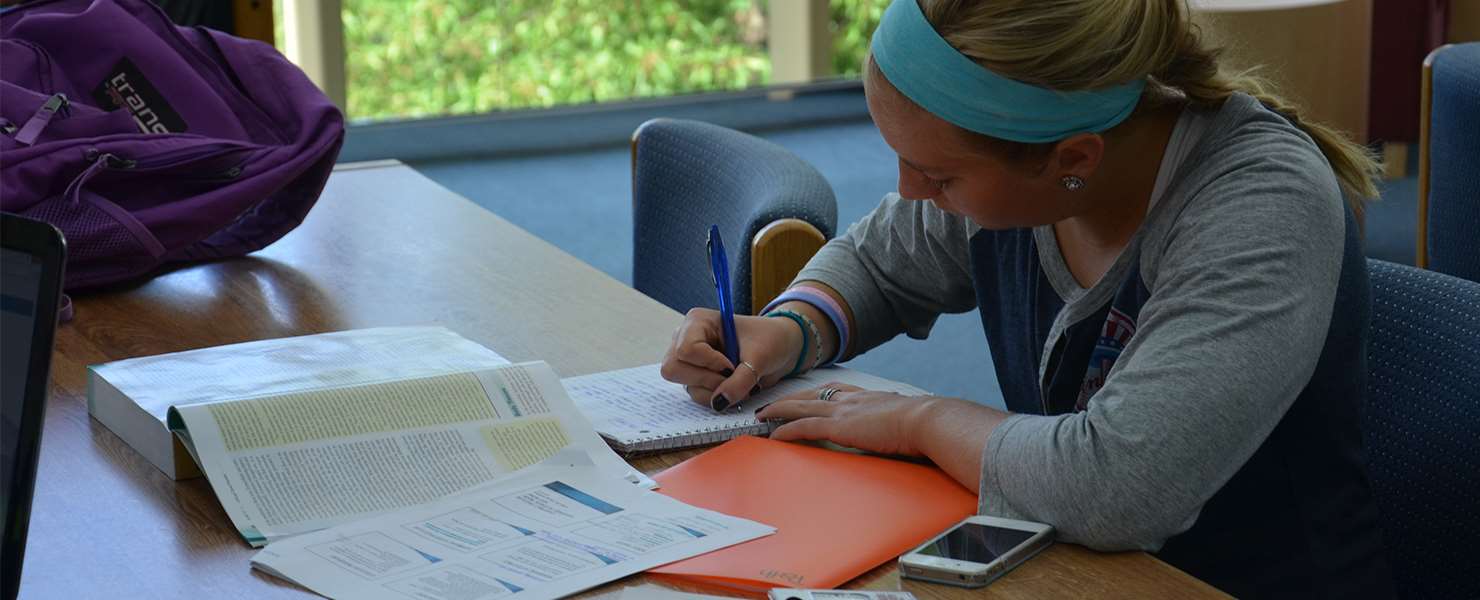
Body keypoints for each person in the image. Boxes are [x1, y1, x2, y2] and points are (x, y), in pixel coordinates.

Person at [658, 0, 1396, 597]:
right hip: (1068, 567)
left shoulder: (1259, 207)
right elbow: (882, 262)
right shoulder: (1030, 163)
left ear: (1073, 159)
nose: (913, 193)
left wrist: (923, 420)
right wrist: (790, 327)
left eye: (938, 177)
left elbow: (1116, 487)